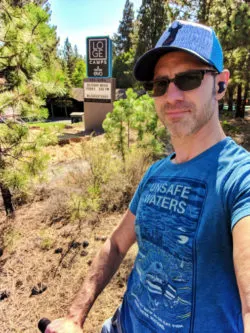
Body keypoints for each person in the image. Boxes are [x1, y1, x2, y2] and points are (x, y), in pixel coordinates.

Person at [45, 20, 250, 333]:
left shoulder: (240, 178)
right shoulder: (156, 172)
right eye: (160, 84)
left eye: (189, 78)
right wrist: (75, 316)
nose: (172, 95)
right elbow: (115, 245)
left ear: (220, 84)